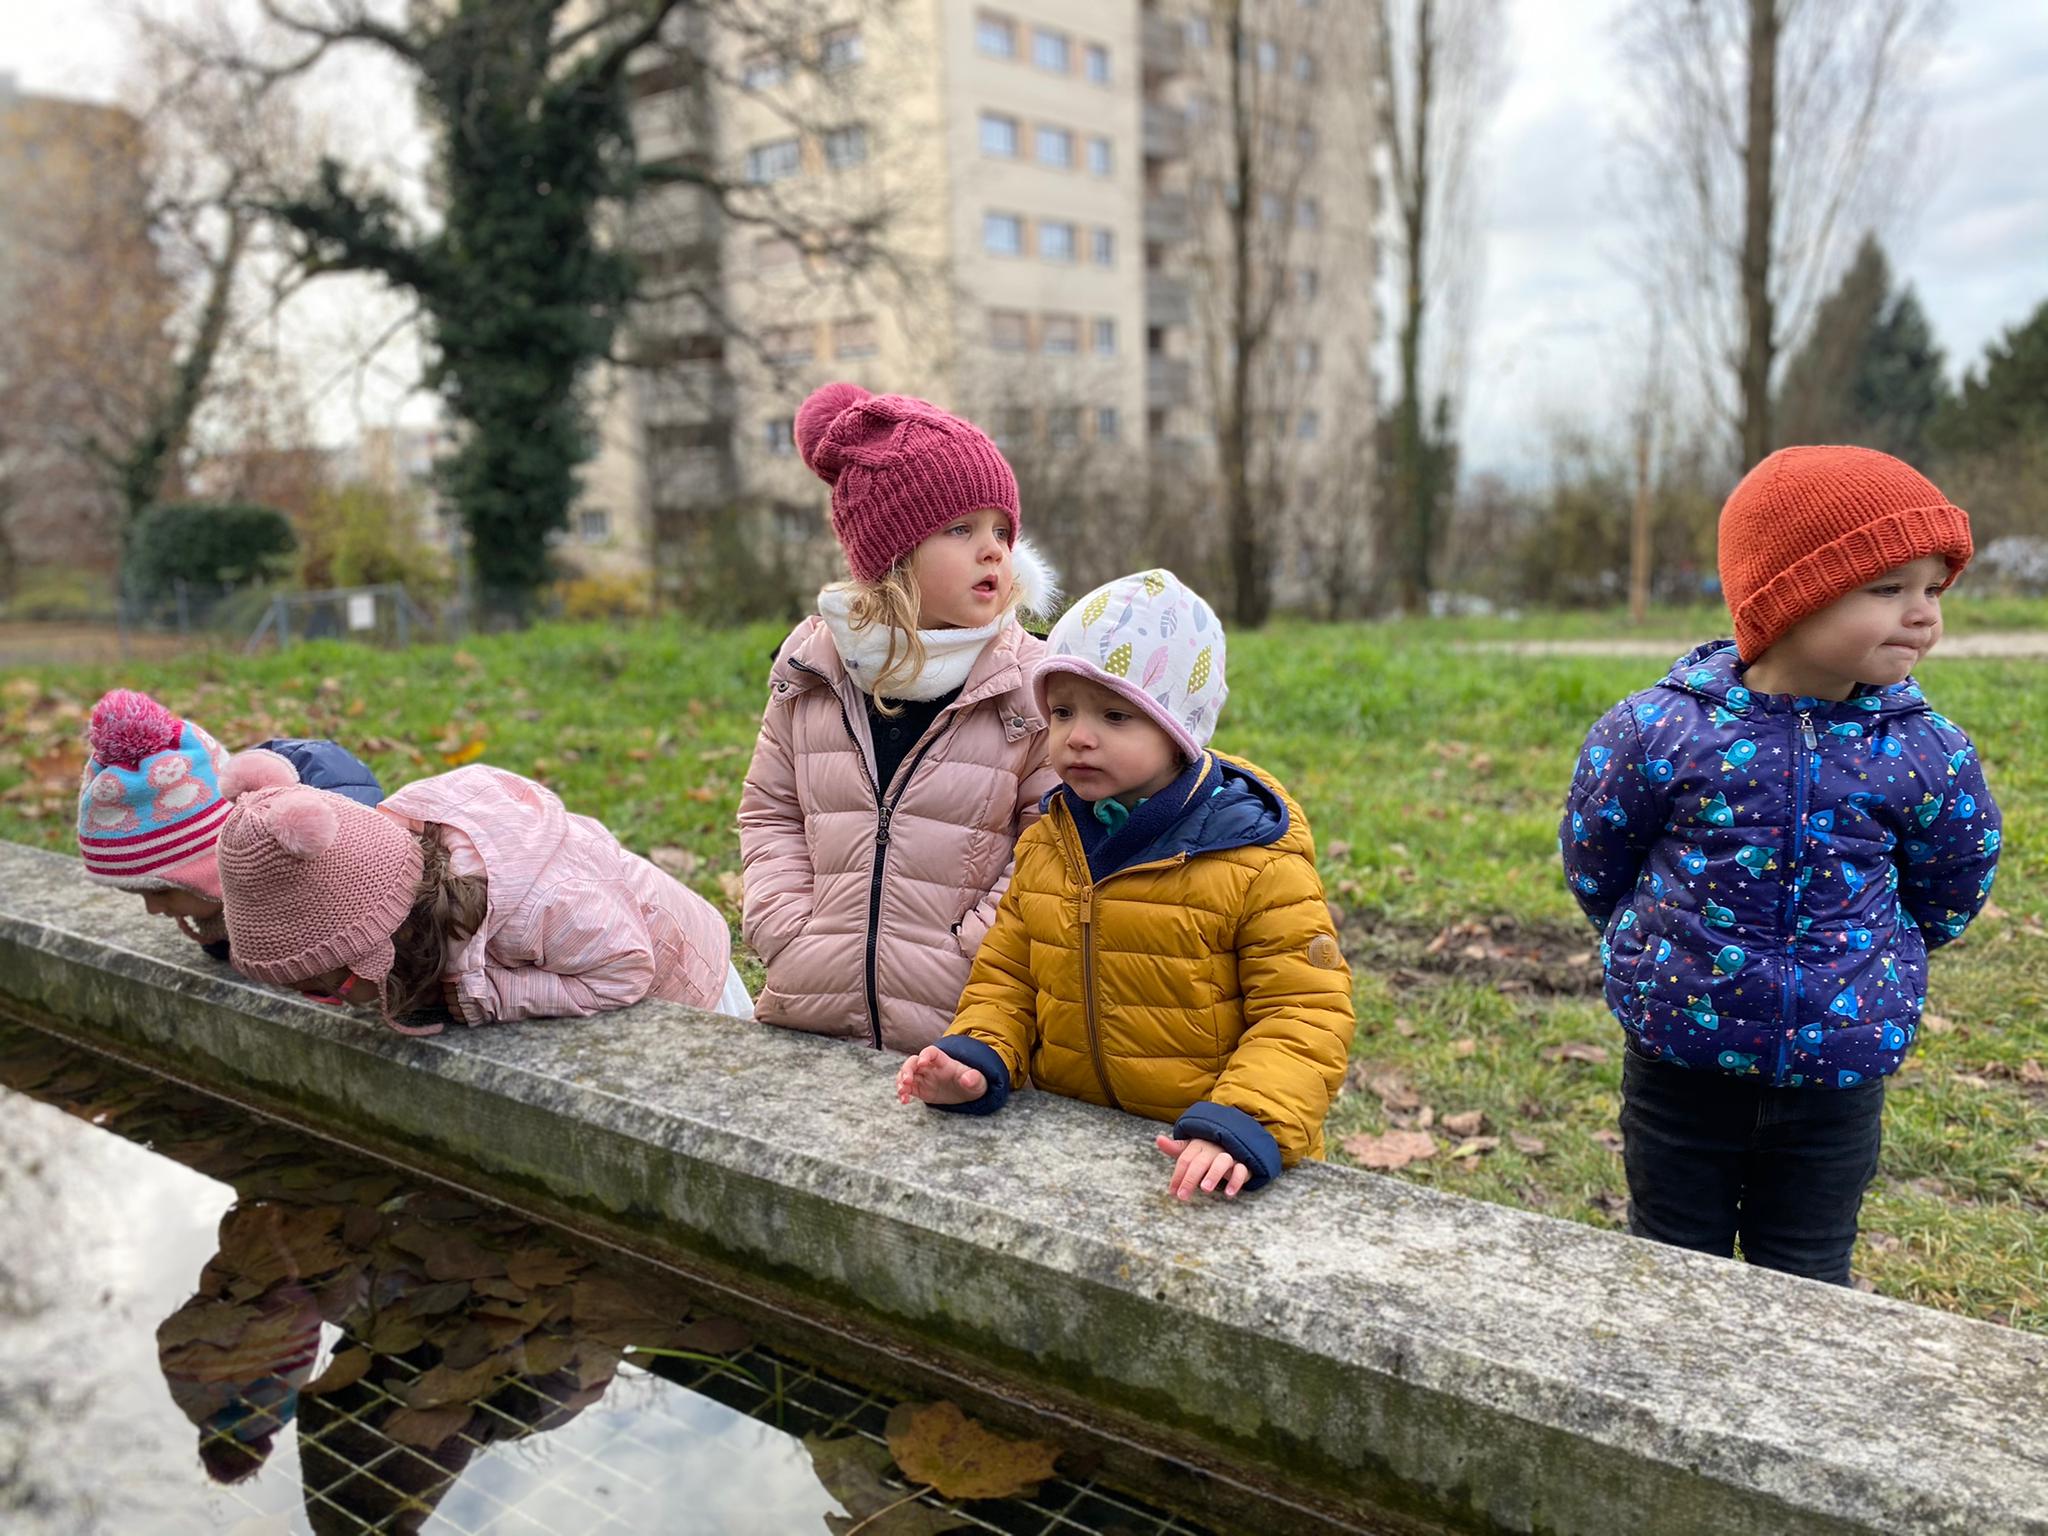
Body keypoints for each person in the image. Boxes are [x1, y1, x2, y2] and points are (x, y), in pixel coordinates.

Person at [1560, 445, 2001, 1283]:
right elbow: (1599, 855)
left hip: (1836, 1075)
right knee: (1672, 1264)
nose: (1924, 616)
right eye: (1889, 588)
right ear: (1789, 597)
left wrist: (1877, 961)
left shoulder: (1923, 752)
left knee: (1808, 1274)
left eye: (1933, 588)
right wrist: (1648, 945)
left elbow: (1953, 879)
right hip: (1680, 1060)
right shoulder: (1659, 732)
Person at [896, 569, 1356, 1199]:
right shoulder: (1049, 842)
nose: (1078, 737)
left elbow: (1304, 1010)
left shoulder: (1253, 859)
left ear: (1177, 729)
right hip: (1068, 1147)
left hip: (1204, 1164)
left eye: (1115, 715)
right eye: (1061, 712)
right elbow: (1008, 976)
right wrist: (979, 1055)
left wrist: (1243, 1122)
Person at [740, 381, 1058, 1053]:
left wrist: (972, 953)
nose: (995, 549)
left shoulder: (1030, 685)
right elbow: (770, 810)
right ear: (892, 554)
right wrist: (789, 929)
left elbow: (1048, 843)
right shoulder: (811, 670)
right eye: (960, 528)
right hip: (811, 1010)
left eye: (1002, 529)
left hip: (968, 1030)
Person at [215, 763, 750, 1031]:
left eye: (325, 989)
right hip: (599, 949)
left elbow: (627, 972)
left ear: (377, 949)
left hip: (685, 981)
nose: (332, 1006)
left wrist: (490, 994)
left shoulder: (539, 907)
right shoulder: (397, 862)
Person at [75, 687, 382, 964]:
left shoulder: (316, 897)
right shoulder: (224, 916)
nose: (154, 911)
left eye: (162, 891)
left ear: (214, 869)